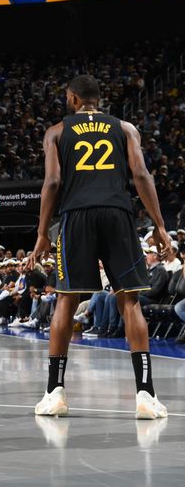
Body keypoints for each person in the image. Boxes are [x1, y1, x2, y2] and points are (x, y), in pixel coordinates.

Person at [30, 74, 170, 420]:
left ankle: (54, 392)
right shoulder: (125, 128)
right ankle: (146, 395)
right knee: (130, 299)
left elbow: (52, 181)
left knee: (66, 298)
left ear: (74, 99)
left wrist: (42, 232)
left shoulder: (57, 132)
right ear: (97, 100)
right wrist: (160, 225)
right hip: (117, 212)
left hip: (76, 215)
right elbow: (141, 175)